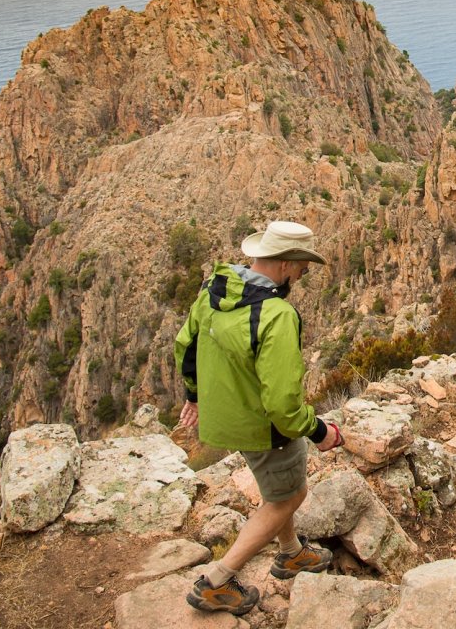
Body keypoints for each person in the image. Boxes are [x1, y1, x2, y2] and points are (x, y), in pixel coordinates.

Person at [176, 221, 342, 616]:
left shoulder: (214, 291)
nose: (303, 275)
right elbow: (283, 406)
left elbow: (186, 346)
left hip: (224, 418)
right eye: (302, 267)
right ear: (284, 264)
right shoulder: (276, 314)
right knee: (290, 497)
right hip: (264, 427)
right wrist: (318, 430)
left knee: (278, 490)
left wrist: (194, 395)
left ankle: (291, 552)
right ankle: (217, 581)